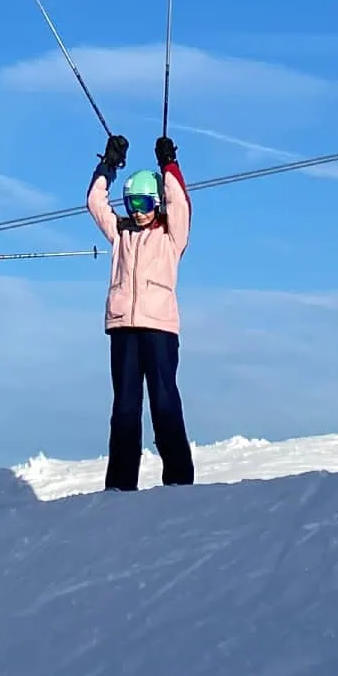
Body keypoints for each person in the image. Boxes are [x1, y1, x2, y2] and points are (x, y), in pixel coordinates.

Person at [89, 133, 195, 491]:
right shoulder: (120, 235)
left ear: (156, 203)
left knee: (164, 400)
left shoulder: (171, 236)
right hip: (123, 327)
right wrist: (108, 165)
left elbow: (179, 202)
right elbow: (94, 201)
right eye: (131, 202)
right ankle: (120, 483)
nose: (137, 210)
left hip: (159, 329)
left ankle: (179, 479)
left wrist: (169, 166)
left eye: (145, 203)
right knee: (124, 407)